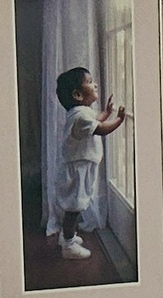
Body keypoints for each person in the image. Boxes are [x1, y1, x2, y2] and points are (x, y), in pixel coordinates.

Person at [48, 64, 127, 262]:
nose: (96, 84)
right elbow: (100, 129)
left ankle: (68, 237)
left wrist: (107, 113)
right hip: (78, 170)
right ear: (78, 95)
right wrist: (119, 120)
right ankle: (68, 244)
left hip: (81, 167)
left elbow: (96, 122)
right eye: (90, 82)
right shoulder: (81, 116)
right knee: (74, 207)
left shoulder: (81, 113)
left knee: (76, 206)